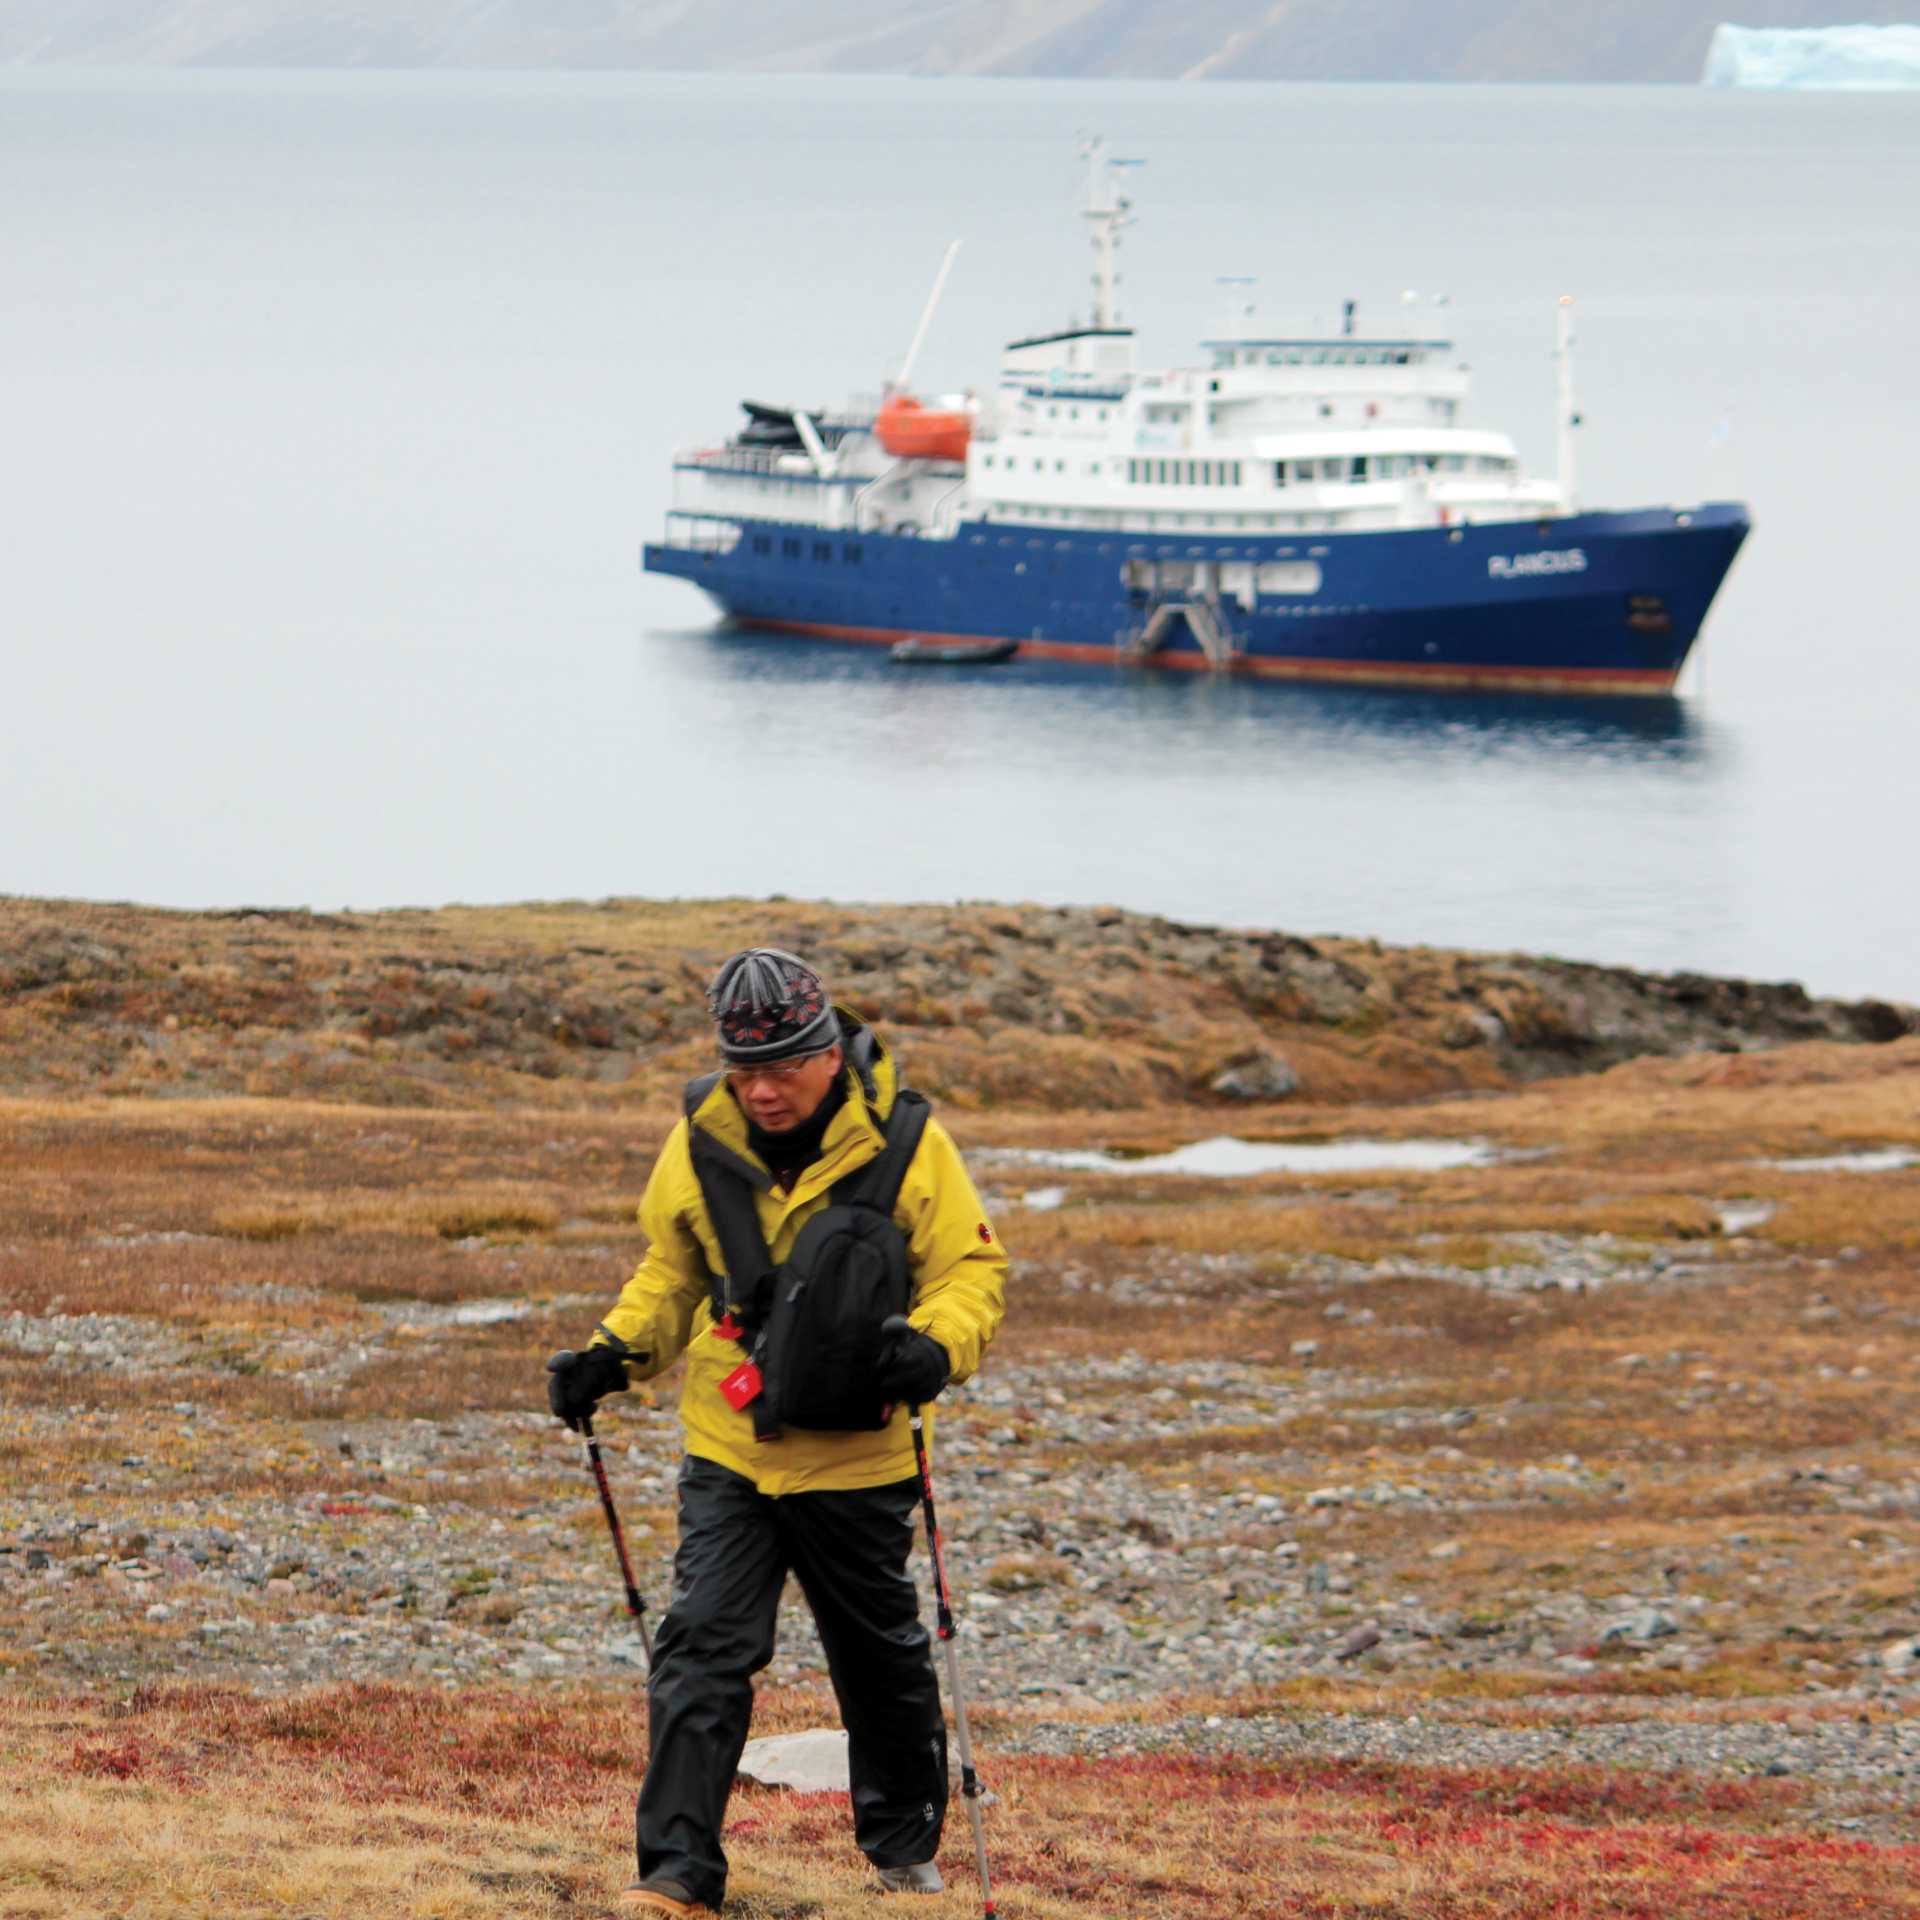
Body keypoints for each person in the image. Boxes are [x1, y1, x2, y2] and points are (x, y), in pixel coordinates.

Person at [545, 947, 1006, 1917]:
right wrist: (610, 1356)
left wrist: (934, 1347)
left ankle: (902, 1847)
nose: (761, 1091)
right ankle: (675, 1876)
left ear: (831, 1051)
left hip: (858, 1456)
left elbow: (971, 1273)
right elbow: (672, 1273)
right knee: (703, 1647)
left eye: (783, 1067)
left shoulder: (910, 1142)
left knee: (877, 1658)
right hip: (731, 1450)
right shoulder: (697, 1138)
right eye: (744, 1071)